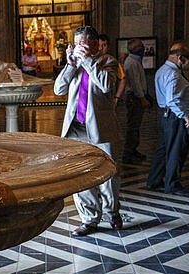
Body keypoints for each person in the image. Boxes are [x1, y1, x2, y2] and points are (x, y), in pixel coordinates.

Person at [54, 26, 122, 236]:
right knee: (81, 175)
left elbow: (107, 86)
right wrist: (70, 65)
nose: (79, 48)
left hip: (101, 129)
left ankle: (112, 212)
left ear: (93, 44)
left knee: (108, 174)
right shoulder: (74, 65)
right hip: (76, 129)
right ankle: (89, 219)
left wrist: (87, 62)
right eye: (76, 44)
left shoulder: (107, 62)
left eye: (83, 43)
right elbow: (59, 89)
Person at [146, 42, 189, 195]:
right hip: (176, 117)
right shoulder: (173, 74)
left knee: (162, 150)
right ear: (180, 57)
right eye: (186, 61)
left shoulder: (162, 70)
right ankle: (172, 184)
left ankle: (154, 180)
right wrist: (186, 116)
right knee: (177, 150)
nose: (187, 64)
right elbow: (172, 99)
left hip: (167, 116)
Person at [123, 38, 151, 164]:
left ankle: (133, 150)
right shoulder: (131, 62)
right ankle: (128, 154)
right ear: (134, 49)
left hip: (136, 97)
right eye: (140, 46)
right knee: (133, 126)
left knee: (136, 126)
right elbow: (135, 83)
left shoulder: (135, 61)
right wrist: (142, 98)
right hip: (134, 98)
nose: (143, 48)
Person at [98, 34, 127, 106]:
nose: (101, 48)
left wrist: (117, 97)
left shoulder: (112, 61)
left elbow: (123, 79)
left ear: (108, 46)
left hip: (107, 98)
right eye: (99, 45)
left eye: (104, 45)